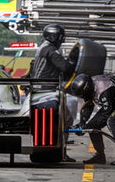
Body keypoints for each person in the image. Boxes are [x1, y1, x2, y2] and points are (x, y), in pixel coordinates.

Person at [31, 24, 76, 162]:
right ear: (54, 36)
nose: (62, 40)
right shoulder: (50, 50)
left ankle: (59, 150)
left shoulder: (42, 48)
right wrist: (74, 60)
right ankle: (62, 152)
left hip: (39, 90)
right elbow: (65, 67)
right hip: (48, 91)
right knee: (66, 119)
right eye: (61, 37)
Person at [70, 73, 115, 165]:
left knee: (111, 121)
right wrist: (82, 123)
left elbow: (106, 113)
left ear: (87, 88)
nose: (83, 97)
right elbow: (88, 106)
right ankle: (100, 156)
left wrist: (85, 127)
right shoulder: (90, 84)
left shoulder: (104, 90)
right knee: (93, 126)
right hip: (114, 102)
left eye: (83, 94)